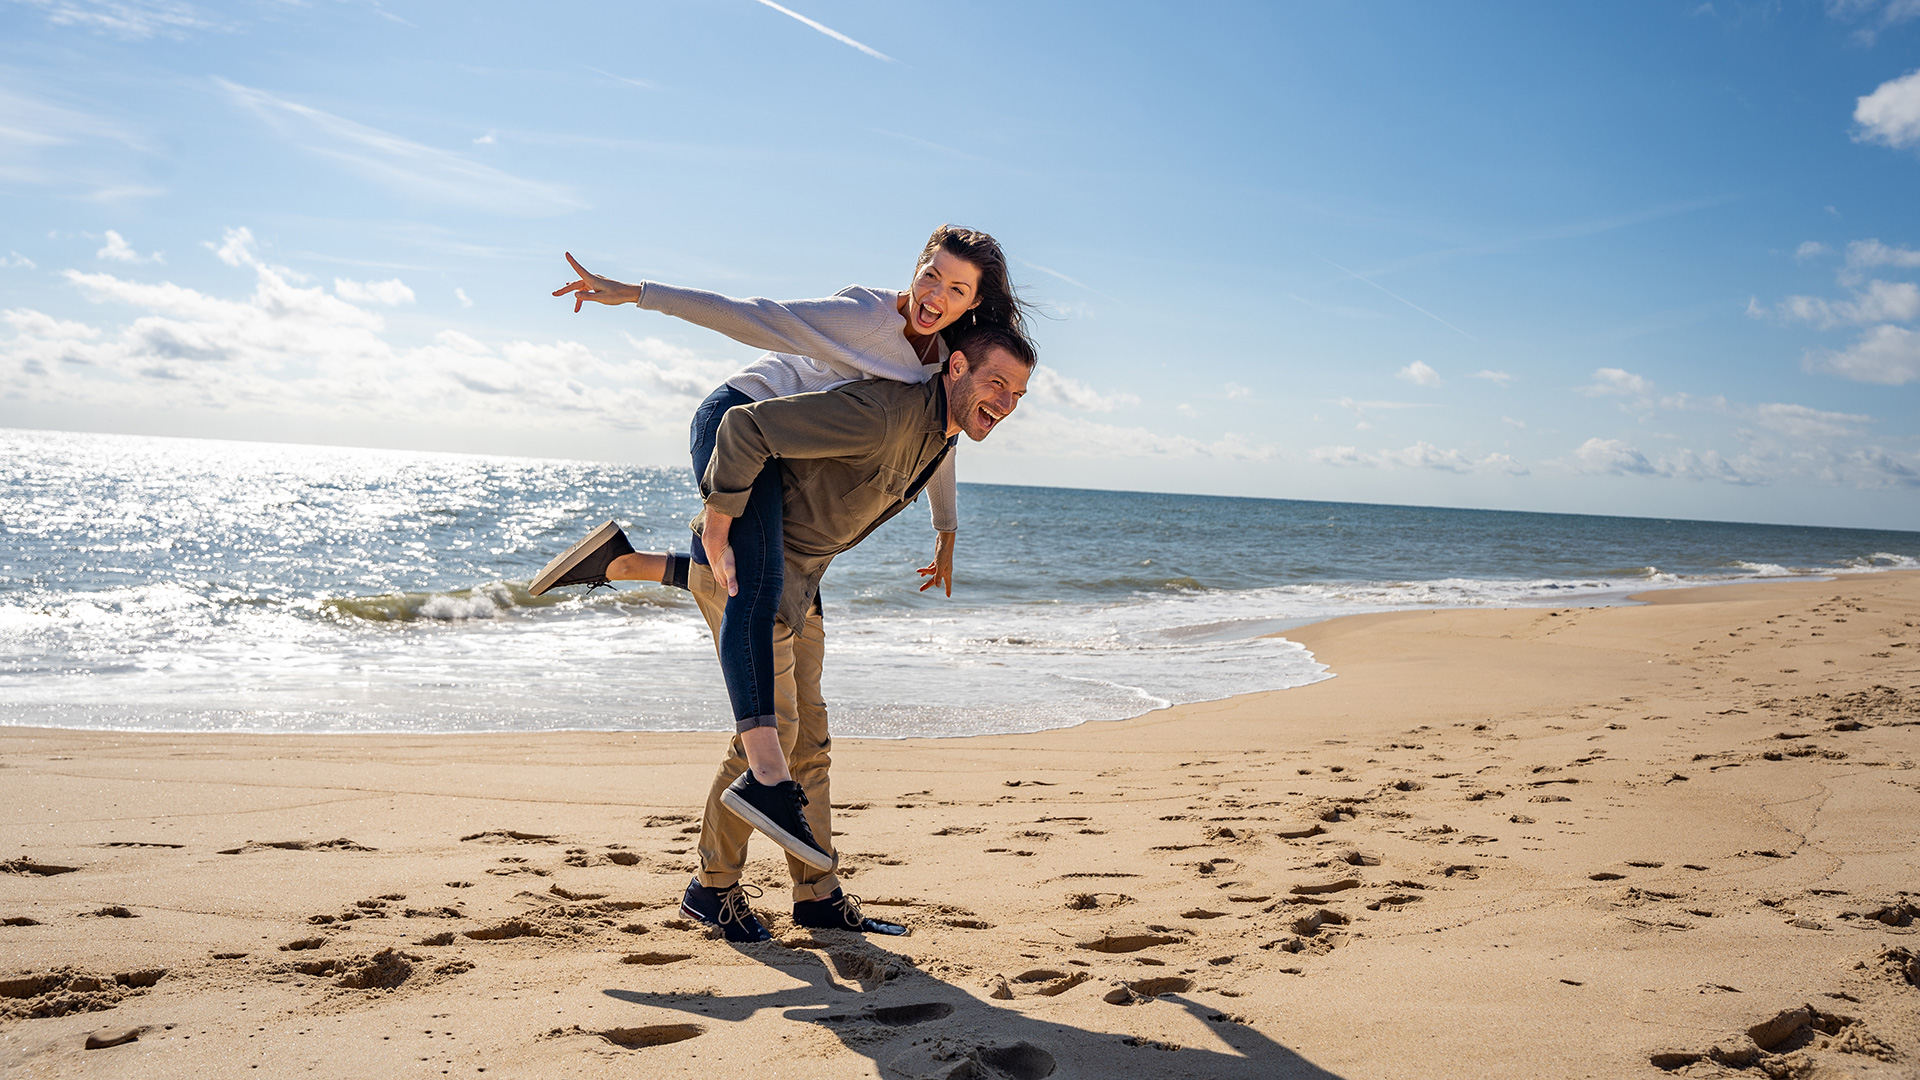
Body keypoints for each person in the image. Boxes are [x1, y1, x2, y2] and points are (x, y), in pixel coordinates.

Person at [671, 321, 1034, 939]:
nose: (1004, 403)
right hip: (751, 574)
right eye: (996, 383)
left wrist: (946, 534)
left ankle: (816, 895)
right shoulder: (885, 416)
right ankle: (712, 887)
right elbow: (743, 428)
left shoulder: (937, 435)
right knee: (772, 735)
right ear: (954, 370)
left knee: (810, 741)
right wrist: (718, 520)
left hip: (803, 584)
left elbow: (944, 462)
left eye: (1017, 395)